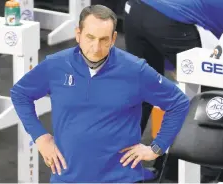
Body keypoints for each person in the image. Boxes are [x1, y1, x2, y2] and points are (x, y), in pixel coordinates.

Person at [10, 5, 189, 183]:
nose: (96, 47)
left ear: (114, 38)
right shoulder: (56, 65)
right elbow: (20, 94)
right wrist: (40, 138)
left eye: (104, 39)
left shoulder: (135, 70)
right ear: (78, 34)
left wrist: (156, 148)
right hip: (67, 178)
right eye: (90, 38)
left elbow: (178, 102)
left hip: (120, 179)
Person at [123, 0, 223, 181]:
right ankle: (205, 172)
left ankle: (115, 168)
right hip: (167, 19)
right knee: (213, 98)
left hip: (135, 7)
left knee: (140, 91)